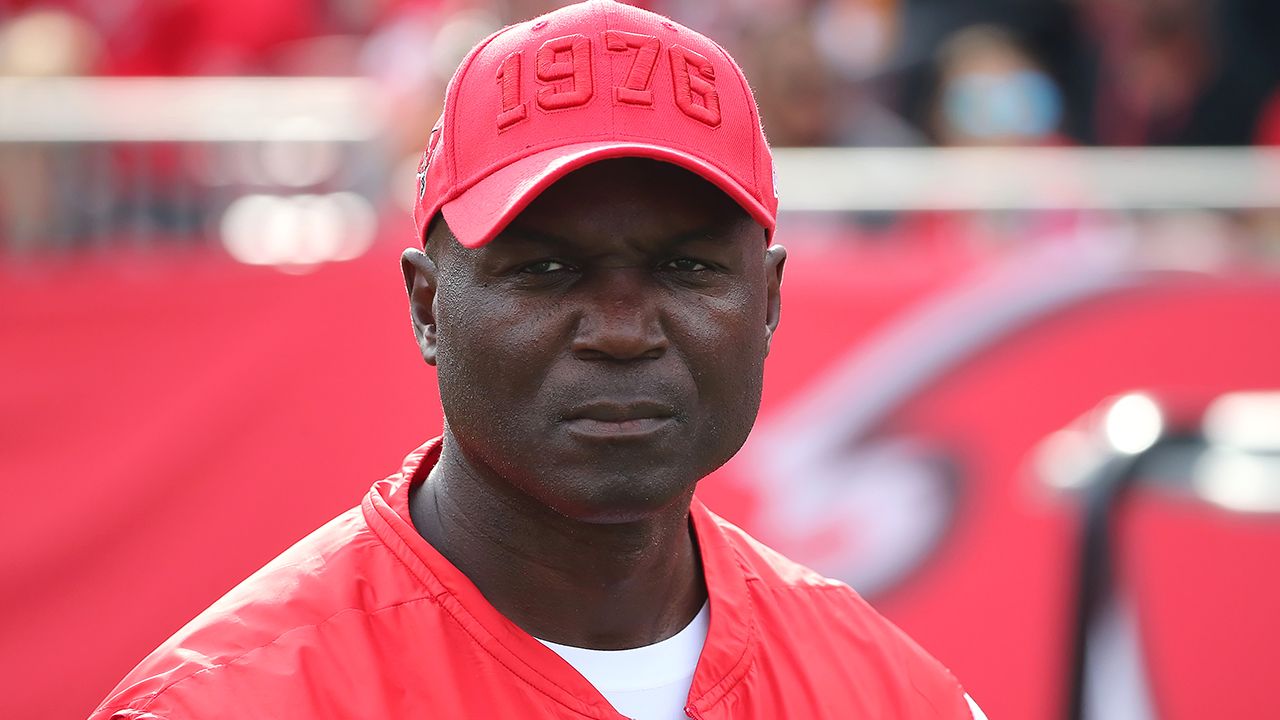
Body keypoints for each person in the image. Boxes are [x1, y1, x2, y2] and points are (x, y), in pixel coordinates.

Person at [91, 2, 986, 718]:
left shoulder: (900, 695)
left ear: (769, 303)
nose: (624, 329)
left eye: (687, 266)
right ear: (429, 306)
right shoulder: (225, 702)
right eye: (547, 267)